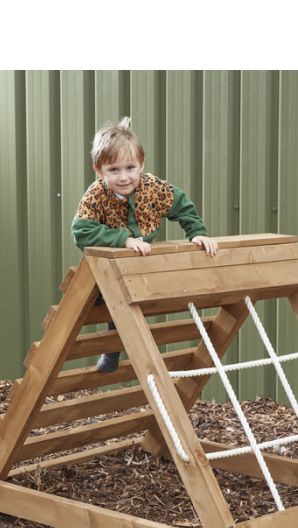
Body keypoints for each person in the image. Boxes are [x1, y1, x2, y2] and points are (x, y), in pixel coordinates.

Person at [72, 117, 218, 372]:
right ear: (99, 170)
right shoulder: (96, 195)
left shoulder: (152, 188)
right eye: (114, 170)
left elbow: (181, 205)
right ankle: (112, 348)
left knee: (134, 302)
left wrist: (196, 233)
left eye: (130, 168)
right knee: (109, 303)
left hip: (140, 263)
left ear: (142, 164)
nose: (124, 177)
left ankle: (126, 348)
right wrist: (123, 240)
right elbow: (81, 231)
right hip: (107, 266)